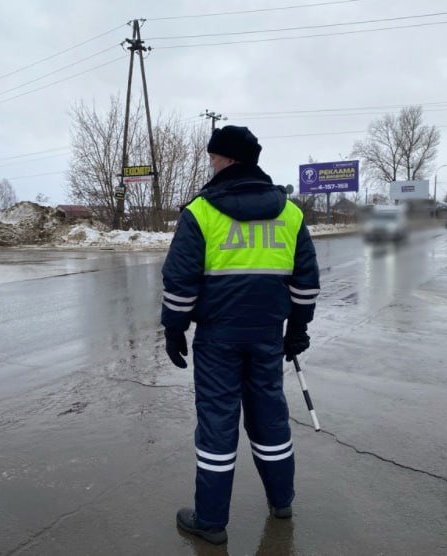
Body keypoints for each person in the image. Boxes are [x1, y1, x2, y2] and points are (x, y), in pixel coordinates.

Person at [161, 125, 320, 545]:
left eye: (213, 155)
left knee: (217, 422)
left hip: (217, 338)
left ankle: (211, 521)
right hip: (268, 334)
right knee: (270, 415)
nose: (210, 161)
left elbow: (180, 282)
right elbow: (306, 280)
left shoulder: (201, 212)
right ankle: (281, 501)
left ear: (227, 158)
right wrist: (298, 328)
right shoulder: (290, 213)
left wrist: (174, 330)